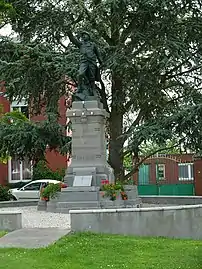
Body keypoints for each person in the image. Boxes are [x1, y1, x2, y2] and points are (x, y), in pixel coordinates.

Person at [67, 30, 102, 97]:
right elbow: (73, 39)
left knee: (92, 77)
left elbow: (98, 54)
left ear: (89, 36)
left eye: (85, 35)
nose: (83, 36)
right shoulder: (81, 44)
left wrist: (101, 61)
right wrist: (68, 31)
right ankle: (80, 87)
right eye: (83, 35)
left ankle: (93, 89)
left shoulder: (93, 45)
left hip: (92, 62)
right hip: (84, 61)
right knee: (80, 74)